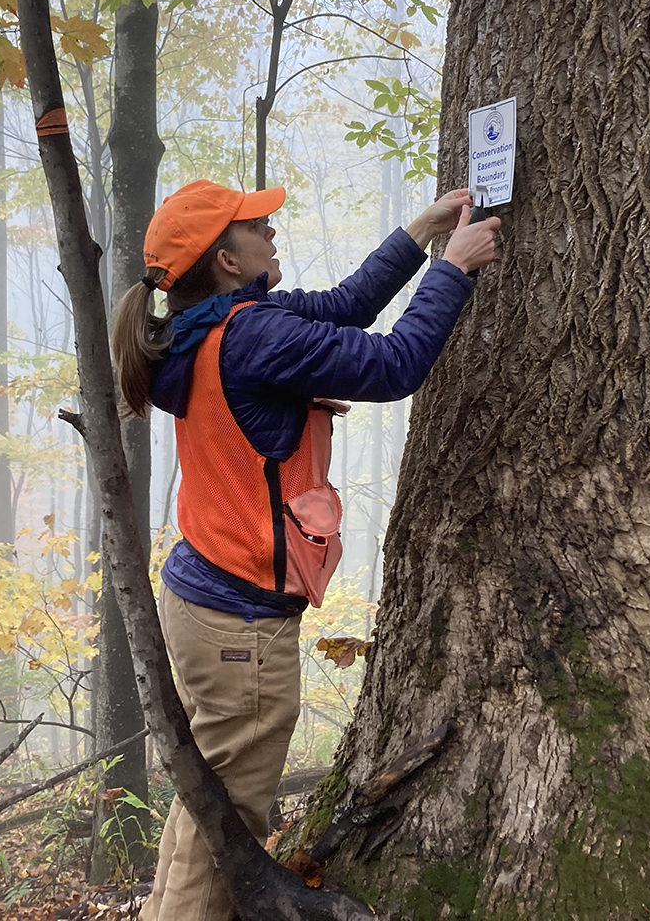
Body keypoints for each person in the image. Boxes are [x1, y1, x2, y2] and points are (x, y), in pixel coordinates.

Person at [110, 178, 500, 921]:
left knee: (209, 798)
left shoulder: (206, 327)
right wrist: (452, 270)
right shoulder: (252, 337)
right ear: (228, 260)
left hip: (202, 599)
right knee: (231, 818)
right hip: (239, 625)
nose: (272, 230)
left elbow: (345, 306)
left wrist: (418, 234)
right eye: (257, 225)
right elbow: (394, 364)